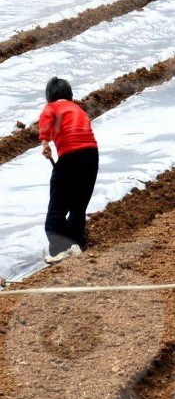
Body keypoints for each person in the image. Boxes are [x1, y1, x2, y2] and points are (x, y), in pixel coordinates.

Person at [38, 77, 99, 264]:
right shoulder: (78, 109)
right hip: (91, 156)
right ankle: (77, 245)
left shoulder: (52, 107)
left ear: (50, 97)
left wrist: (45, 142)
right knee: (78, 206)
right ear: (70, 95)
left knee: (56, 209)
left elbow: (46, 120)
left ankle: (59, 250)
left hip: (70, 157)